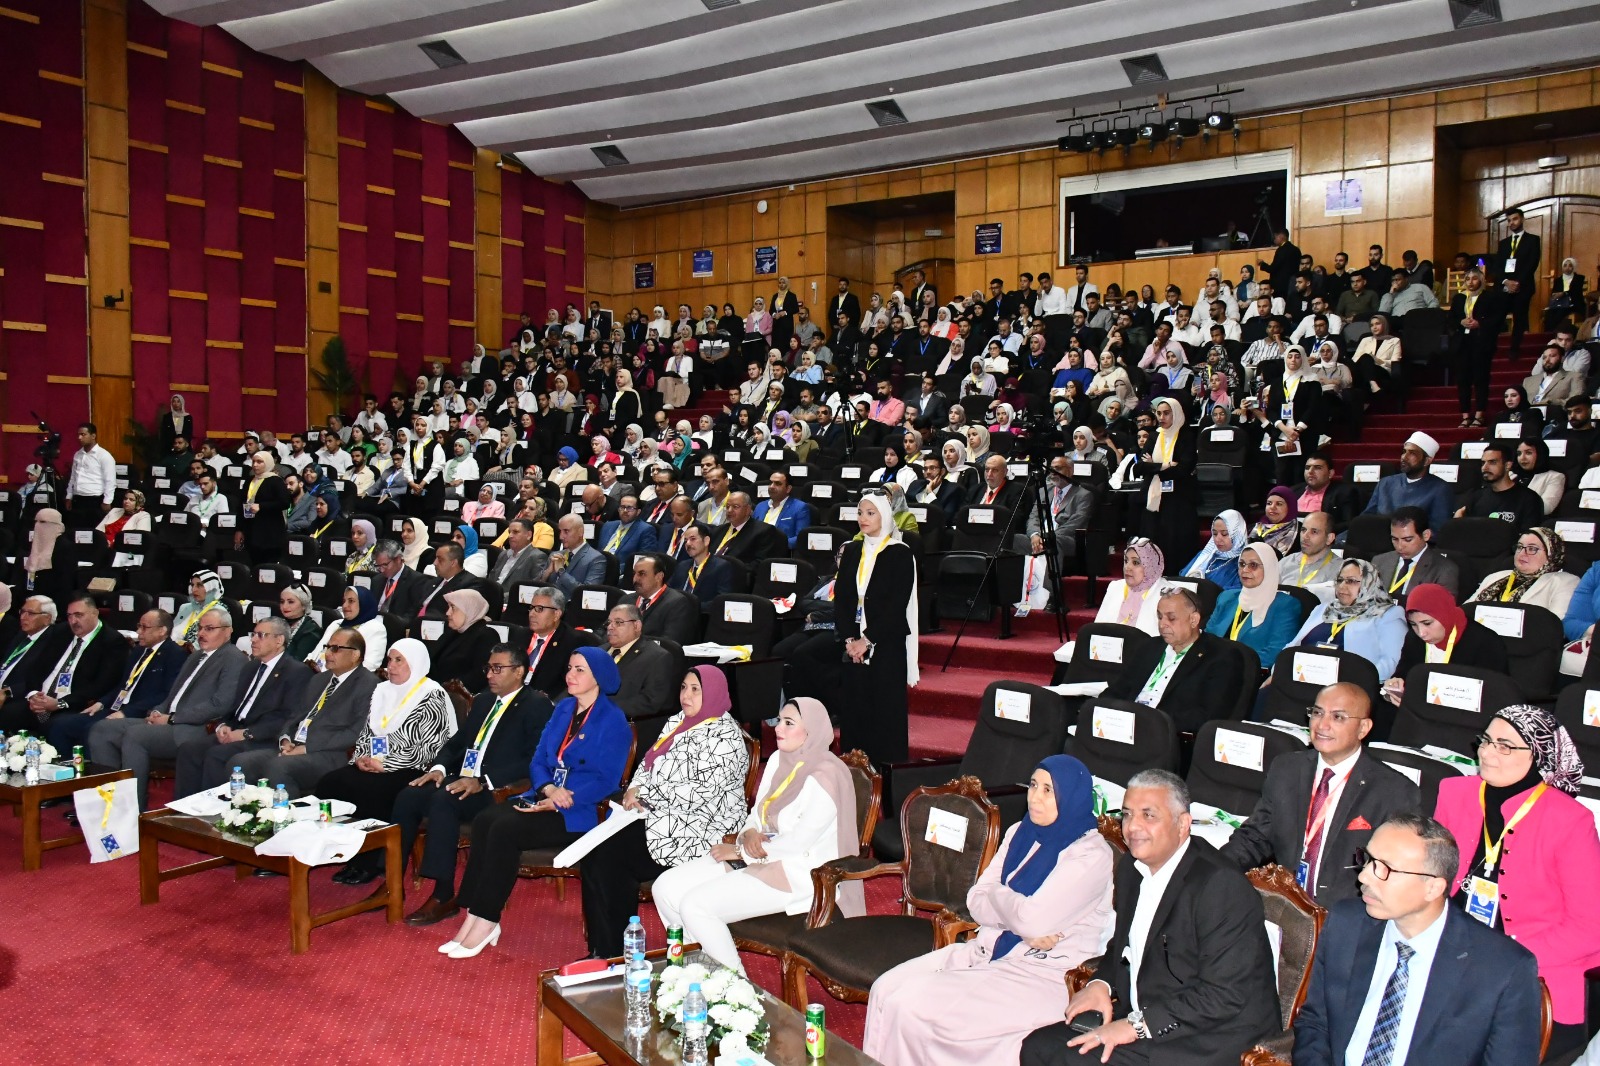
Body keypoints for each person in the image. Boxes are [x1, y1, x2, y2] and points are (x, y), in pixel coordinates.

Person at [865, 755, 1116, 1066]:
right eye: (1033, 785)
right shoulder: (1019, 833)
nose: (1035, 797)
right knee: (884, 990)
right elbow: (976, 901)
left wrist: (1004, 904)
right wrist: (1018, 919)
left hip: (1040, 972)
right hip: (988, 949)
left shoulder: (1090, 855)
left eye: (1048, 790)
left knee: (914, 1008)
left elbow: (1030, 920)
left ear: (1071, 797)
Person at [1019, 769, 1280, 1066]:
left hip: (1212, 1036)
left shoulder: (1220, 886)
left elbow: (1223, 995)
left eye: (1149, 815)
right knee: (1037, 1047)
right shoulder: (1132, 869)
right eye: (1127, 814)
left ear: (1183, 824)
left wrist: (1136, 1026)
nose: (1133, 827)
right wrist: (1101, 984)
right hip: (1151, 1012)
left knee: (1074, 1061)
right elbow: (1124, 945)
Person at [1290, 814, 1543, 1066]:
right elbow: (1316, 1023)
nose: (1364, 877)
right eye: (1368, 860)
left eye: (1385, 869)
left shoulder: (1503, 969)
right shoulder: (1348, 924)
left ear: (1432, 888)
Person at [1429, 705, 1600, 1057]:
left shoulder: (1570, 821)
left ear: (1538, 754)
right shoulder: (1453, 792)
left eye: (1505, 746)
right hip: (1455, 956)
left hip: (1538, 976)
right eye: (1486, 740)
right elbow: (1434, 878)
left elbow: (1589, 928)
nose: (1487, 752)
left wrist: (1499, 956)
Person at [442, 647, 632, 959]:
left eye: (579, 670)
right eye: (569, 668)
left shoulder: (613, 720)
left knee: (505, 829)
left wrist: (562, 798)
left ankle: (487, 919)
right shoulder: (563, 708)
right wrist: (547, 788)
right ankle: (474, 914)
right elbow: (538, 758)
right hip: (544, 795)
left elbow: (607, 780)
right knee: (486, 819)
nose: (570, 675)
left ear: (599, 677)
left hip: (578, 809)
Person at [652, 697, 859, 974]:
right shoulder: (777, 760)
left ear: (811, 731)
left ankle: (734, 985)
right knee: (664, 887)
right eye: (779, 720)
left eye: (789, 723)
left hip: (797, 874)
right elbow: (757, 813)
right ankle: (698, 969)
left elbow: (798, 843)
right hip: (759, 857)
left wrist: (740, 851)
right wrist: (748, 833)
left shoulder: (826, 776)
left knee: (695, 906)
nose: (778, 728)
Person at [578, 666, 751, 958]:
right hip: (661, 816)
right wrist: (635, 788)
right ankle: (601, 949)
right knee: (596, 851)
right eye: (683, 687)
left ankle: (613, 953)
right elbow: (649, 761)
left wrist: (647, 795)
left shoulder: (726, 738)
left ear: (714, 692)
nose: (686, 695)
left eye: (695, 689)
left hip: (699, 828)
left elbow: (701, 792)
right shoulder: (678, 721)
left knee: (612, 858)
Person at [1224, 682, 1419, 904]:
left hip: (1349, 910)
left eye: (1338, 717)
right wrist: (1215, 871)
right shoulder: (1286, 769)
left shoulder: (1394, 791)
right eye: (1317, 713)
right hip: (1285, 901)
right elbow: (1255, 837)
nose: (1322, 725)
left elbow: (1396, 872)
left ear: (1363, 728)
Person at [398, 643, 551, 925]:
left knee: (445, 801)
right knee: (411, 794)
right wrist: (439, 768)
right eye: (488, 668)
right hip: (465, 777)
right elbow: (457, 743)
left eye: (498, 669)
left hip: (497, 788)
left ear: (519, 672)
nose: (490, 675)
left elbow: (534, 758)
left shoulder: (535, 705)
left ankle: (443, 894)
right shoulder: (483, 701)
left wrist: (483, 780)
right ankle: (392, 880)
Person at [318, 639, 455, 886]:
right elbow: (366, 734)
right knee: (331, 782)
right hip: (373, 763)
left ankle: (368, 863)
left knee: (373, 791)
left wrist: (386, 765)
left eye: (399, 660)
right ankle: (342, 852)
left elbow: (429, 749)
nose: (391, 666)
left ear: (415, 662)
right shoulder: (382, 690)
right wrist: (361, 758)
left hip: (411, 768)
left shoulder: (431, 695)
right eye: (389, 660)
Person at [89, 608, 248, 809]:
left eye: (209, 629)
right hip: (167, 720)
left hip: (190, 729)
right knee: (102, 729)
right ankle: (108, 803)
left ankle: (132, 808)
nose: (201, 633)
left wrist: (173, 718)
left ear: (228, 631)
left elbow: (219, 704)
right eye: (200, 628)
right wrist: (157, 710)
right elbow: (173, 694)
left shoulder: (233, 658)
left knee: (136, 736)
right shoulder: (196, 656)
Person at [172, 616, 312, 798]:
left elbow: (287, 717)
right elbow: (235, 706)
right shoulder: (251, 667)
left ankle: (215, 809)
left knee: (216, 755)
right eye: (253, 634)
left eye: (261, 635)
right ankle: (186, 807)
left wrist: (247, 734)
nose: (253, 640)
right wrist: (224, 725)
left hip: (263, 738)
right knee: (189, 750)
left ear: (279, 640)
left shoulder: (296, 672)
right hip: (236, 730)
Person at [233, 631, 380, 798]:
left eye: (335, 648)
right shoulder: (319, 679)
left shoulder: (369, 685)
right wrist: (286, 739)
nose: (328, 653)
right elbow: (295, 715)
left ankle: (288, 813)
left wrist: (307, 747)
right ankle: (251, 811)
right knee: (240, 762)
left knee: (278, 766)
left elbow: (356, 732)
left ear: (355, 655)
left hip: (329, 753)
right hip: (295, 745)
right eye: (327, 647)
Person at [836, 492, 917, 765]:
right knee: (854, 707)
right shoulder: (852, 550)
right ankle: (854, 770)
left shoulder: (900, 553)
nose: (863, 518)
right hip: (853, 643)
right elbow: (843, 598)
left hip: (886, 642)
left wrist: (867, 640)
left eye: (870, 513)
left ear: (884, 516)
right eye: (860, 512)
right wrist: (850, 639)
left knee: (885, 710)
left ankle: (886, 772)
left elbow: (897, 606)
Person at [1104, 588, 1245, 733]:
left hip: (1166, 733)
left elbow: (1207, 716)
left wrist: (1147, 721)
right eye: (1160, 617)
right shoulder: (1149, 647)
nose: (1162, 624)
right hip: (1124, 726)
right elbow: (1117, 690)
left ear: (1193, 620)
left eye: (1171, 618)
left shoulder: (1221, 656)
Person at [45, 609, 185, 752]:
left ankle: (93, 766)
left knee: (93, 729)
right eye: (139, 626)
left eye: (145, 627)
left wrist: (127, 713)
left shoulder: (174, 654)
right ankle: (67, 764)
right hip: (116, 707)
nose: (138, 632)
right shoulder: (139, 651)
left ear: (162, 630)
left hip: (140, 713)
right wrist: (101, 703)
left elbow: (165, 695)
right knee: (59, 724)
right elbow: (123, 685)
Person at [1381, 585, 1509, 726]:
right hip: (1421, 713)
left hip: (1465, 720)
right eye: (1413, 624)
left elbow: (1492, 696)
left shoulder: (1485, 642)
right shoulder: (1414, 638)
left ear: (1444, 614)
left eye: (1427, 623)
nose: (1421, 633)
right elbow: (1404, 671)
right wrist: (1395, 684)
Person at [5, 592, 124, 738]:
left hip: (71, 704)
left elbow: (101, 686)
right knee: (8, 712)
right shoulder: (60, 631)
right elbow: (37, 667)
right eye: (69, 616)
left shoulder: (112, 642)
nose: (73, 621)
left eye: (79, 615)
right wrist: (34, 695)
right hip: (41, 699)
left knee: (56, 725)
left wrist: (59, 703)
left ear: (95, 613)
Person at [1286, 559, 1408, 681]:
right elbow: (1291, 646)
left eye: (1351, 581)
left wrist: (1357, 682)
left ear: (1369, 583)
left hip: (1349, 685)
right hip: (1302, 677)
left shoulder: (1387, 614)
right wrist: (1280, 669)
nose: (1342, 586)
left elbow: (1391, 662)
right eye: (1339, 580)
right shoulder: (1323, 609)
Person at [1205, 542, 1301, 665]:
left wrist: (1230, 663)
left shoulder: (1285, 605)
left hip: (1249, 671)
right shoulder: (1226, 597)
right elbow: (1207, 638)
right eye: (1242, 564)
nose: (1245, 570)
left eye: (1253, 565)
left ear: (1269, 568)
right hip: (1212, 666)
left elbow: (1275, 653)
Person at [1469, 526, 1578, 618]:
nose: (1522, 553)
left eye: (1532, 549)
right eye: (1519, 547)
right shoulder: (1495, 577)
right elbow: (1466, 610)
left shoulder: (1564, 582)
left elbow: (1557, 624)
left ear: (1552, 554)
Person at [1360, 432, 1453, 536]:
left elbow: (1438, 531)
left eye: (1412, 453)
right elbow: (1367, 518)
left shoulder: (1440, 489)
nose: (1404, 457)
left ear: (1427, 461)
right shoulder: (1385, 483)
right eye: (1404, 452)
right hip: (1378, 540)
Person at [604, 604, 678, 730]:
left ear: (636, 626)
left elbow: (651, 701)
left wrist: (604, 709)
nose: (610, 627)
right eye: (609, 622)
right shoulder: (600, 650)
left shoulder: (656, 657)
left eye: (618, 622)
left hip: (622, 724)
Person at [0, 598, 71, 725]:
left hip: (22, 695)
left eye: (31, 613)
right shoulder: (21, 635)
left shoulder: (52, 642)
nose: (23, 617)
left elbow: (37, 679)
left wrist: (8, 692)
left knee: (10, 712)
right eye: (22, 612)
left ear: (47, 618)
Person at [1450, 269, 1506, 427]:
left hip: (1481, 341)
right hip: (1462, 342)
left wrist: (1480, 323)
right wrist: (1461, 322)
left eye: (1474, 278)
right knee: (1463, 379)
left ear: (1481, 280)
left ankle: (1480, 414)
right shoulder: (1459, 298)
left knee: (1480, 378)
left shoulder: (1490, 297)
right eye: (1467, 279)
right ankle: (1465, 415)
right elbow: (1451, 319)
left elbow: (1498, 319)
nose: (1470, 282)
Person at [1370, 506, 1460, 602]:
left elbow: (1441, 607)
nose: (1400, 546)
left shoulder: (1444, 570)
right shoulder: (1379, 562)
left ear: (1426, 535)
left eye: (1408, 540)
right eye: (1395, 539)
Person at [1453, 442, 1544, 530]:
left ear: (1507, 465)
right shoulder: (1475, 497)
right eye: (1483, 463)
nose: (1485, 468)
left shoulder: (1529, 499)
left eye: (1492, 462)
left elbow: (1529, 535)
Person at [304, 585, 387, 672]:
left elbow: (369, 666)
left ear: (364, 603)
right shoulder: (336, 624)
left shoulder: (375, 628)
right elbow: (315, 653)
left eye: (351, 601)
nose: (344, 605)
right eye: (344, 601)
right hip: (315, 673)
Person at [430, 589, 500, 693]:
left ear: (469, 609)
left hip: (459, 695)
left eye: (453, 607)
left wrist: (445, 689)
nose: (448, 613)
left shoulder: (486, 636)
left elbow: (480, 675)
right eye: (448, 607)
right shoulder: (451, 632)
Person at [1093, 539, 1166, 633]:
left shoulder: (1166, 594)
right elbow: (1098, 627)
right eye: (1126, 561)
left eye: (1135, 563)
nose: (1127, 567)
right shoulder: (1115, 587)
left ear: (1150, 566)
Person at [630, 553, 699, 646]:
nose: (635, 579)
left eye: (642, 574)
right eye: (634, 574)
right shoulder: (626, 600)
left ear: (659, 577)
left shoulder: (677, 603)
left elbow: (669, 643)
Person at [64, 422, 118, 531]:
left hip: (95, 501)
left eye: (83, 434)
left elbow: (110, 480)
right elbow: (73, 477)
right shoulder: (78, 455)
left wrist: (107, 501)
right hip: (78, 500)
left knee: (94, 533)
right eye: (78, 435)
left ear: (93, 436)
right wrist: (69, 496)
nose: (79, 438)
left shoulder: (104, 455)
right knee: (77, 532)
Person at [1179, 509, 1248, 592]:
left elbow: (1234, 594)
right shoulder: (1204, 555)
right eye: (1214, 533)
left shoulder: (1243, 563)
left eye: (1224, 534)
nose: (1217, 539)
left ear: (1237, 534)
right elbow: (1182, 578)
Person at [17, 508, 76, 602]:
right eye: (36, 522)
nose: (37, 525)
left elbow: (66, 580)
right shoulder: (35, 544)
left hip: (54, 598)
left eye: (42, 522)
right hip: (33, 593)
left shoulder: (65, 547)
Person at [539, 514, 606, 596]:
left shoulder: (596, 559)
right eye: (560, 531)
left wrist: (561, 571)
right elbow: (537, 587)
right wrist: (547, 573)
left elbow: (587, 594)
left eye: (566, 531)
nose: (561, 537)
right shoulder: (555, 555)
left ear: (580, 532)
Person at [1277, 511, 1342, 592]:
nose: (1305, 536)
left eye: (1314, 532)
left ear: (1329, 538)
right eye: (1303, 530)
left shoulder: (1340, 570)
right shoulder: (1286, 562)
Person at [753, 470, 812, 549]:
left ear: (788, 489)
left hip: (780, 551)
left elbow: (801, 537)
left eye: (777, 484)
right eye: (770, 483)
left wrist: (774, 545)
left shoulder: (800, 507)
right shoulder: (760, 506)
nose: (772, 486)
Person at [1249, 486, 1300, 559]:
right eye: (1269, 503)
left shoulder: (1300, 533)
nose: (1272, 507)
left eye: (1279, 504)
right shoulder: (1254, 528)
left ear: (1290, 507)